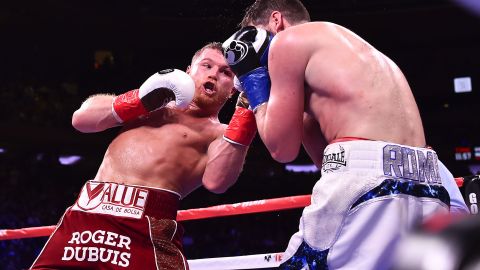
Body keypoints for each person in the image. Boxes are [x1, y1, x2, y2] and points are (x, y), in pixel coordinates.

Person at [222, 0, 470, 269]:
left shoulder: (287, 41)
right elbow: (325, 162)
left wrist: (254, 81)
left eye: (253, 35)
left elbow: (282, 149)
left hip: (367, 182)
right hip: (428, 184)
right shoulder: (348, 48)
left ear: (276, 21)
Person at [31, 42, 257, 269]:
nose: (214, 75)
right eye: (206, 65)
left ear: (233, 89)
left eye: (226, 72)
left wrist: (246, 112)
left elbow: (217, 182)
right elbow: (81, 120)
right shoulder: (148, 105)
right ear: (188, 71)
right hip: (86, 215)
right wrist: (139, 100)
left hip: (145, 226)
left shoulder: (221, 134)